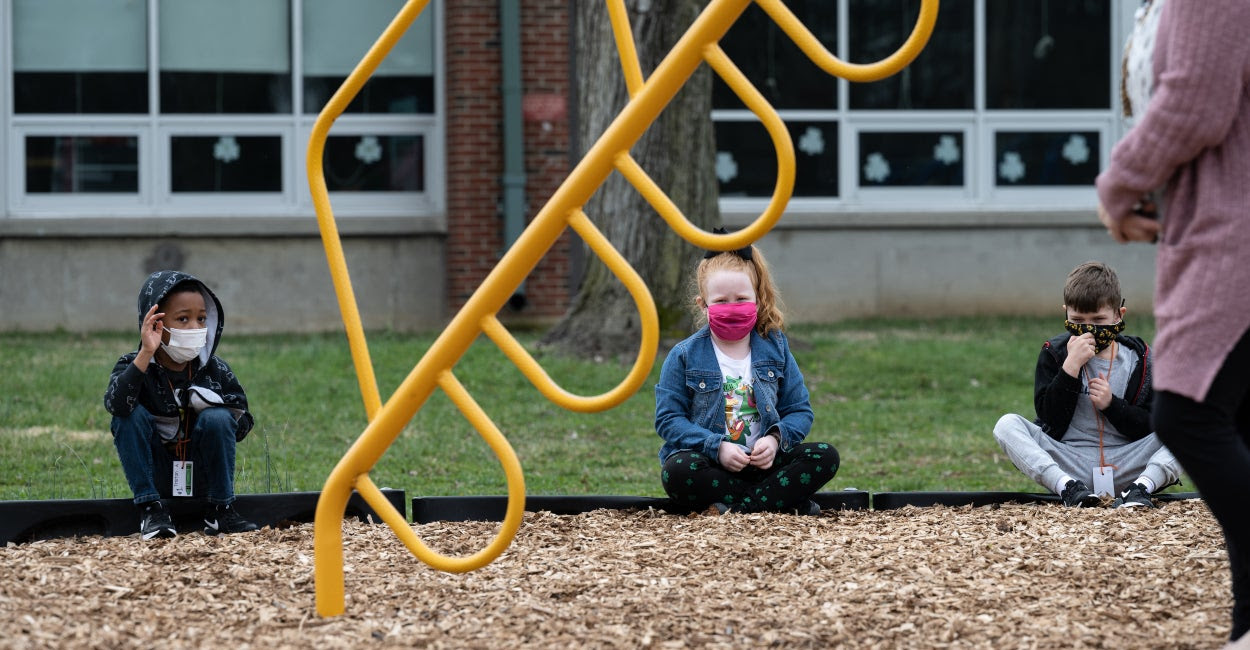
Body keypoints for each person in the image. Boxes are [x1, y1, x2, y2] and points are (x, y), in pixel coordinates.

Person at [1096, 2, 1250, 643]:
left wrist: (1120, 183)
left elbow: (1194, 101)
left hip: (1232, 236)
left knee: (1184, 410)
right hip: (1220, 225)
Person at [654, 236, 838, 514]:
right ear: (703, 305)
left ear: (756, 299)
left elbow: (799, 410)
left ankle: (738, 509)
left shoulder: (775, 347)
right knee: (677, 471)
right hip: (713, 466)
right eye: (721, 300)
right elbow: (668, 420)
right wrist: (717, 447)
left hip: (766, 466)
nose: (732, 306)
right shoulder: (683, 355)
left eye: (741, 299)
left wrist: (775, 440)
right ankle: (780, 504)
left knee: (824, 456)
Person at [993, 261, 1181, 508]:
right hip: (1069, 460)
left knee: (1191, 423)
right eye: (1078, 319)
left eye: (1099, 319)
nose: (1089, 328)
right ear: (1066, 314)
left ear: (1118, 315)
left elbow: (1149, 425)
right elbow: (1049, 417)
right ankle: (1067, 489)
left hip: (1129, 461)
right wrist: (1070, 368)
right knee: (1006, 425)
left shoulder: (1141, 359)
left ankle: (1141, 489)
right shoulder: (1055, 353)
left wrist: (1112, 405)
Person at [104, 271, 258, 539]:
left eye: (201, 319)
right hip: (157, 472)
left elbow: (243, 424)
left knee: (218, 418)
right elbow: (116, 406)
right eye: (183, 319)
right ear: (155, 323)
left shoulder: (214, 369)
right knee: (127, 416)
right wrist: (145, 353)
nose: (194, 327)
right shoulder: (133, 364)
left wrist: (213, 409)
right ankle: (151, 510)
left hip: (203, 470)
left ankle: (221, 509)